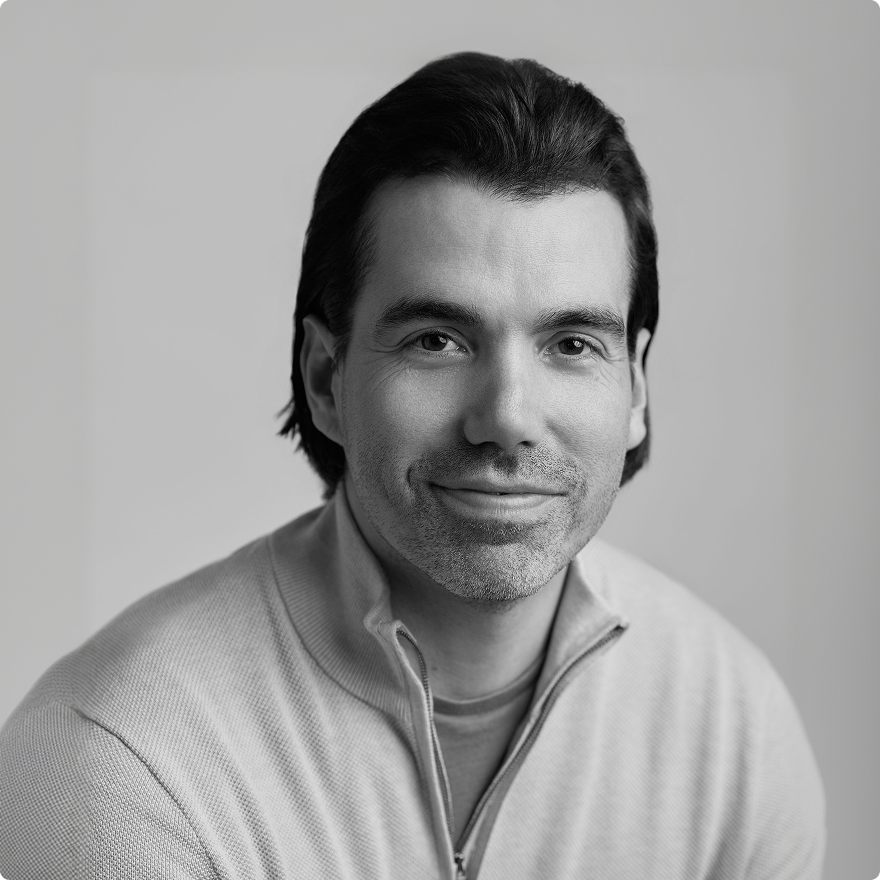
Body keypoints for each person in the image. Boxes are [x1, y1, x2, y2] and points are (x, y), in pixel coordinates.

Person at [0, 52, 824, 880]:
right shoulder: (119, 759)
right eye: (438, 340)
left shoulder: (734, 731)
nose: (506, 418)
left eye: (572, 344)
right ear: (327, 379)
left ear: (636, 385)